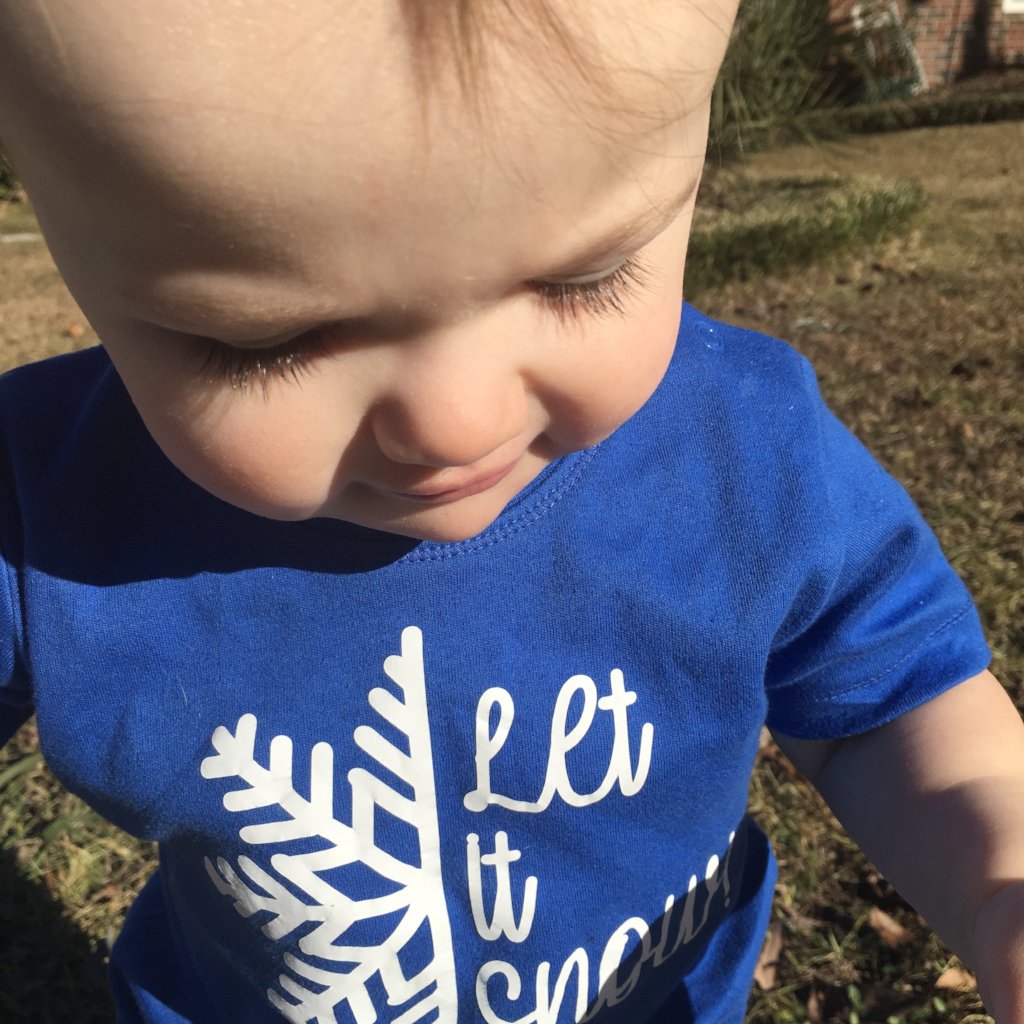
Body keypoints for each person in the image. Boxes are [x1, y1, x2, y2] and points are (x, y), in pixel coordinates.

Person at [0, 1, 1021, 1022]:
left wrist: (994, 876)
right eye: (268, 342)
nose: (454, 422)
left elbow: (886, 710)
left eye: (584, 277)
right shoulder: (49, 499)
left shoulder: (743, 460)